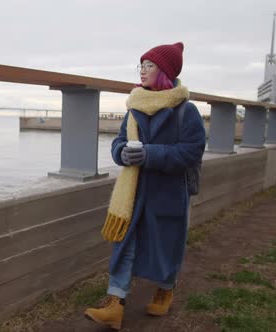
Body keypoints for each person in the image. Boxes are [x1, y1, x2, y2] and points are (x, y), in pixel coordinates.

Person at [84, 42, 206, 330]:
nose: (142, 70)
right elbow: (118, 143)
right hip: (134, 193)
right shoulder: (135, 105)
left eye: (149, 65)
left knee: (167, 244)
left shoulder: (185, 111)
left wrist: (151, 154)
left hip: (168, 193)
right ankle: (115, 304)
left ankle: (165, 288)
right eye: (140, 65)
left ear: (164, 70)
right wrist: (121, 153)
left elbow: (192, 151)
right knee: (124, 244)